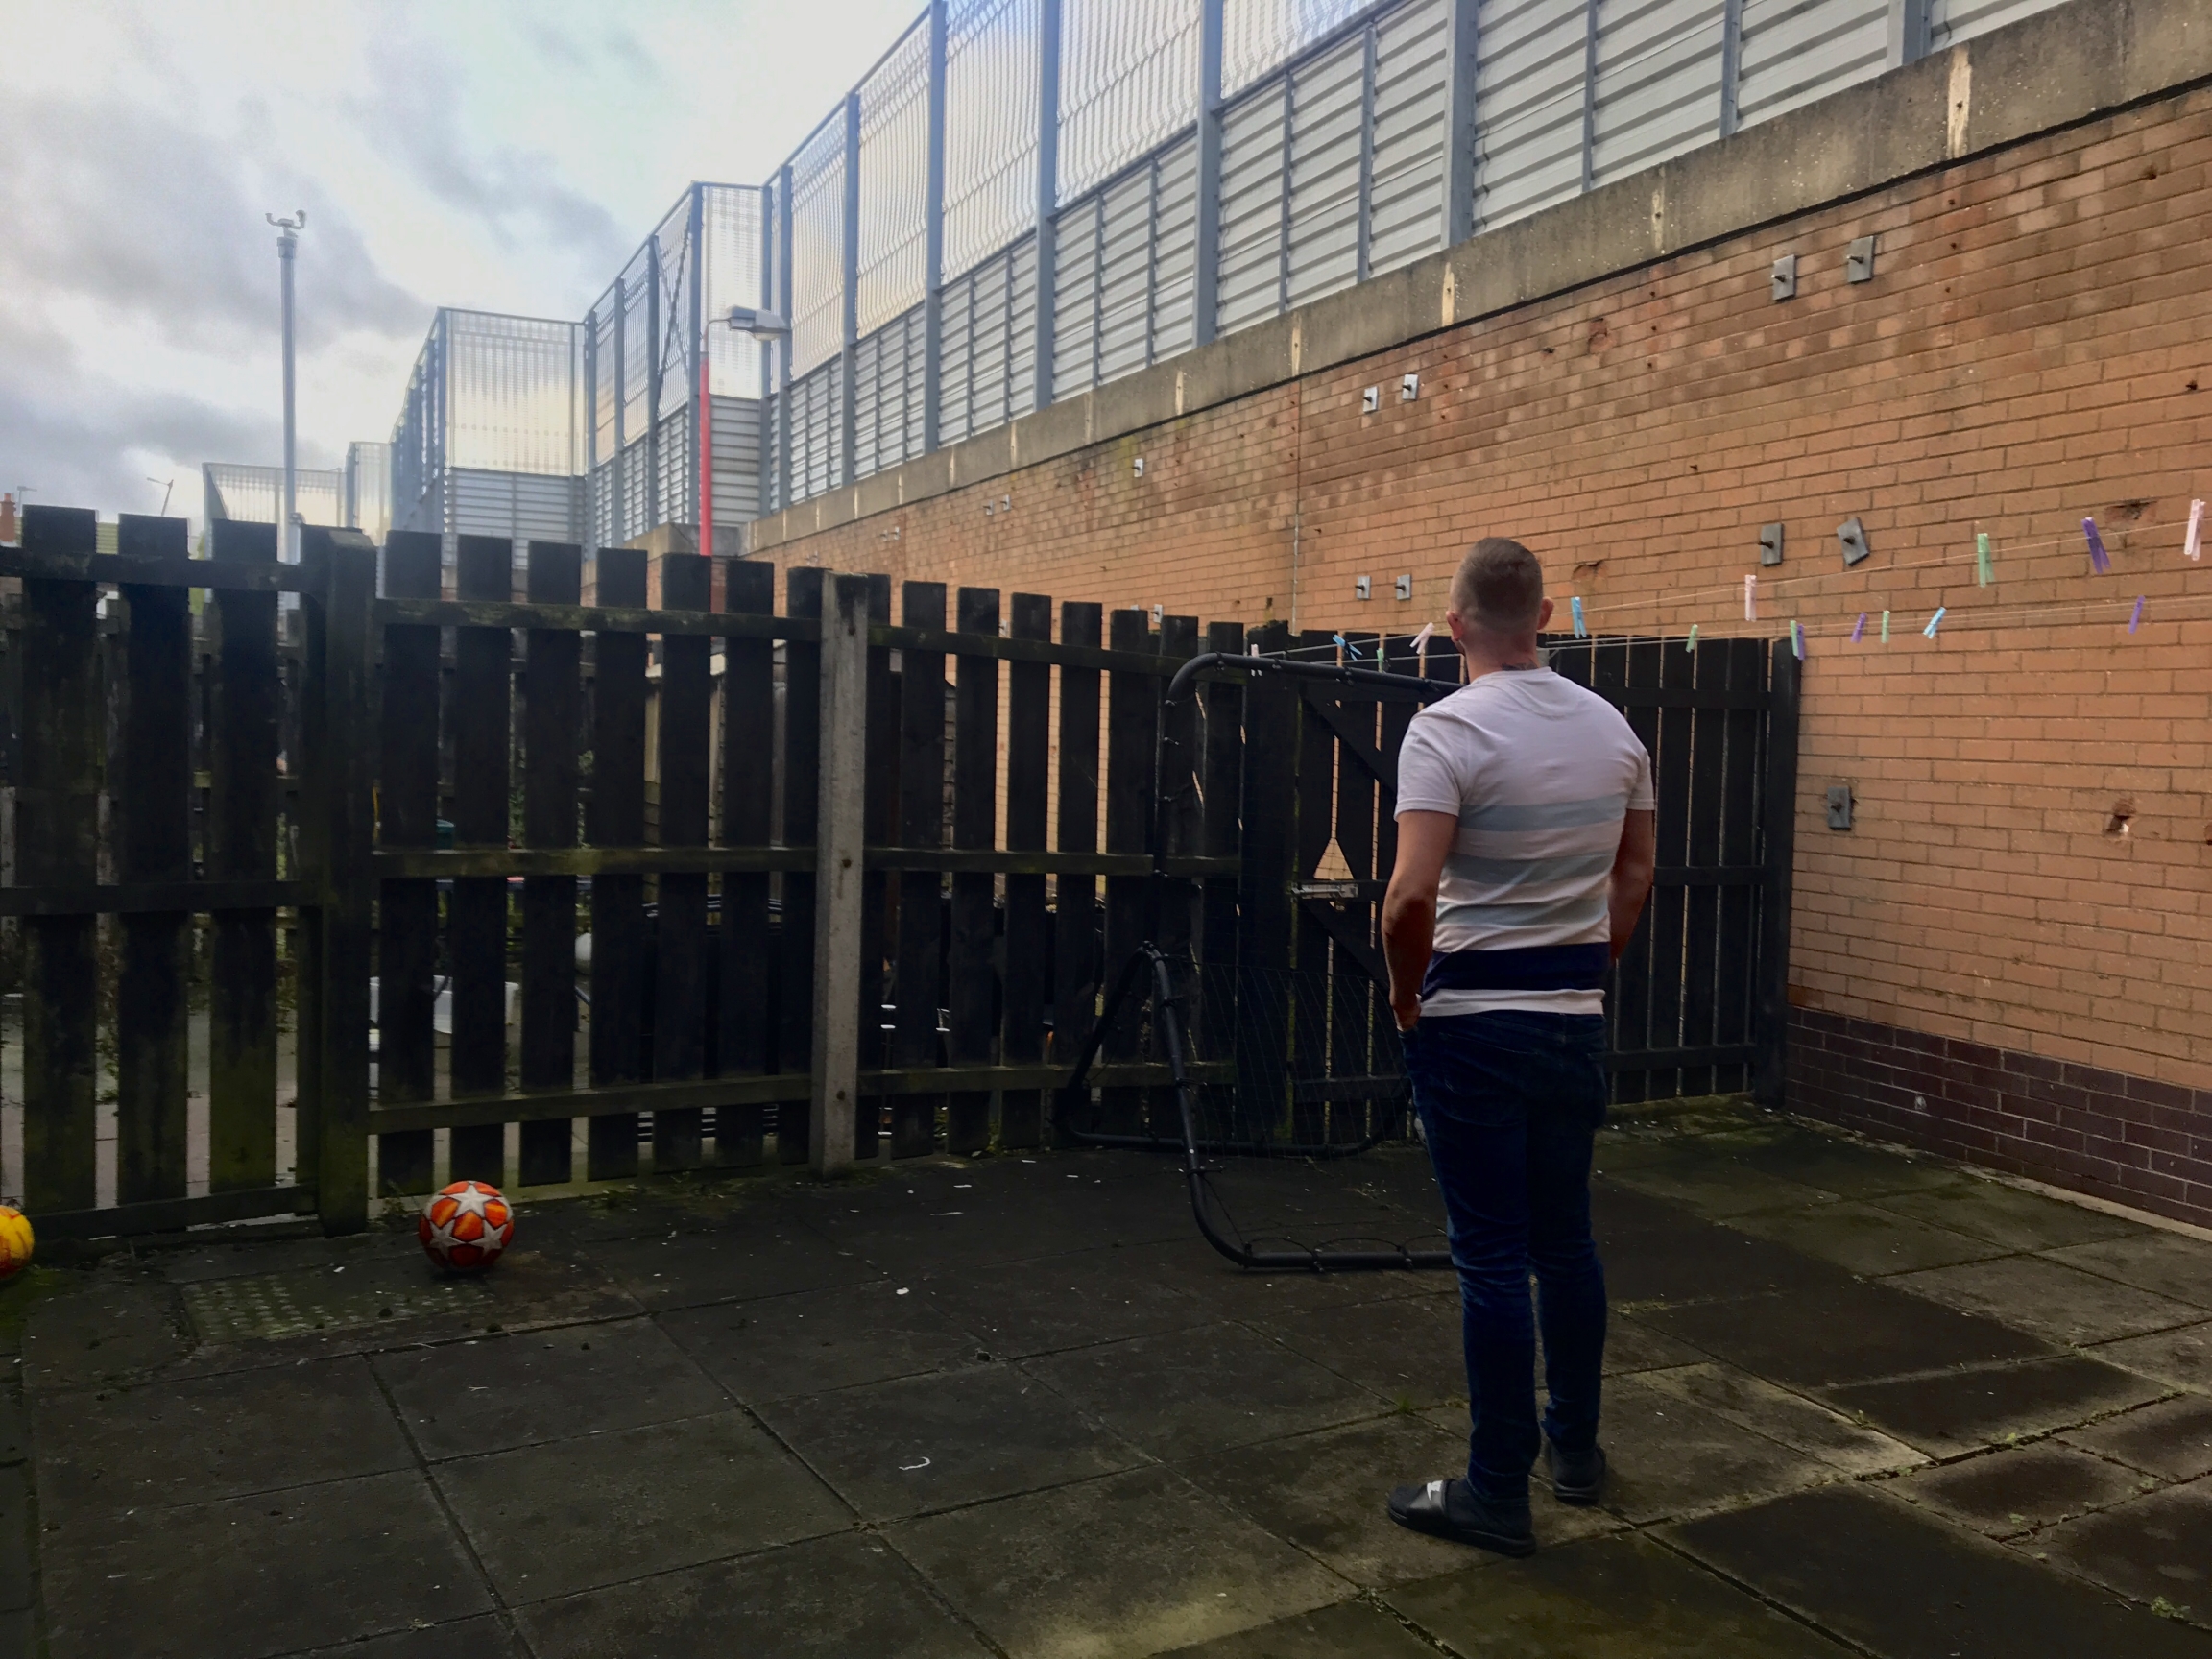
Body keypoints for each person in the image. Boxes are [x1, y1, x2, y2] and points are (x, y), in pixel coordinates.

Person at [1379, 537, 1656, 1555]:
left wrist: (1409, 998)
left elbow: (1409, 895)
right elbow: (1633, 876)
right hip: (1569, 1023)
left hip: (1472, 1030)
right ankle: (1575, 1455)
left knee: (1490, 1258)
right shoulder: (1615, 731)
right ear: (1546, 616)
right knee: (1565, 1242)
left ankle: (1497, 1493)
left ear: (1455, 626)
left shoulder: (1442, 731)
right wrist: (1588, 964)